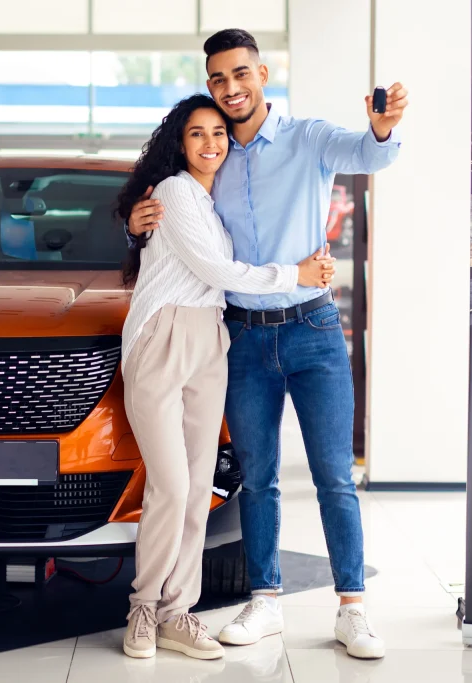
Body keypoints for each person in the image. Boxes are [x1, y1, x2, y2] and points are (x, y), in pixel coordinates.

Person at [125, 29, 408, 660]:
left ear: (262, 74)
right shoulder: (213, 160)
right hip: (242, 338)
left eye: (240, 74)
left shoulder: (307, 137)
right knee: (257, 478)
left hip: (312, 329)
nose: (230, 89)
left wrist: (382, 130)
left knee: (334, 475)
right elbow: (174, 221)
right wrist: (134, 224)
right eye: (218, 78)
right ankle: (264, 600)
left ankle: (353, 609)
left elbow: (368, 153)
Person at [117, 93, 336, 661]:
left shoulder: (214, 204)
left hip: (211, 339)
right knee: (171, 485)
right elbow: (215, 269)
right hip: (163, 336)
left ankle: (176, 612)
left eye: (219, 133)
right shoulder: (172, 191)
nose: (211, 143)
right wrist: (295, 274)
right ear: (179, 142)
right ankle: (143, 607)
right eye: (197, 133)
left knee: (197, 488)